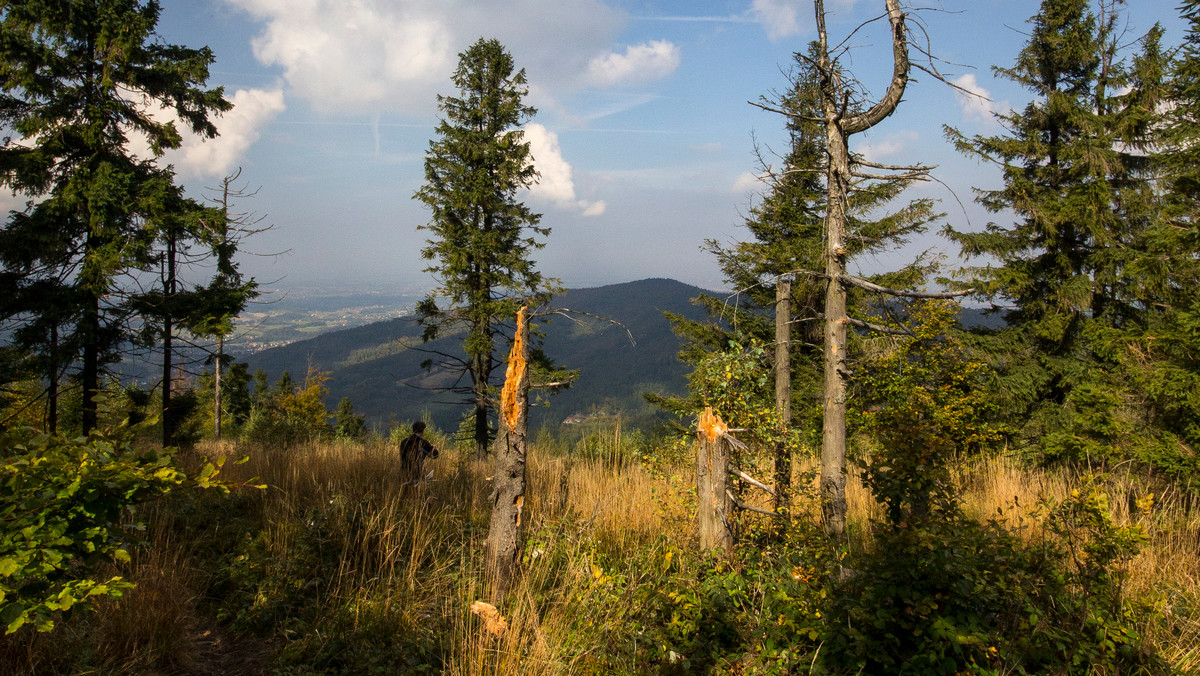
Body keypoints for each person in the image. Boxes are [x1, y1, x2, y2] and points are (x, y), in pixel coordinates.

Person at [399, 420, 439, 485]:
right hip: (418, 473)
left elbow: (402, 457)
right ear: (422, 431)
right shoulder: (423, 443)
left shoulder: (404, 442)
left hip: (404, 472)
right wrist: (434, 449)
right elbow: (435, 455)